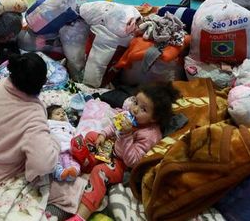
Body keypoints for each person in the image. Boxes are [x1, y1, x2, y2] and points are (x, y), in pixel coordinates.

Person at [0, 52, 86, 215]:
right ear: (42, 84)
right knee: (77, 189)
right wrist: (55, 143)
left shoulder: (1, 84)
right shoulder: (34, 114)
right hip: (5, 182)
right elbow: (43, 164)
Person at [66, 82, 179, 221]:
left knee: (100, 172)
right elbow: (114, 127)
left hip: (121, 164)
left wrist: (126, 135)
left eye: (143, 109)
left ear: (154, 118)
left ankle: (81, 216)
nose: (135, 109)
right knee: (91, 136)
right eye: (135, 102)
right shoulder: (130, 114)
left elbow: (132, 161)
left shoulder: (150, 135)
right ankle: (86, 162)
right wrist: (103, 134)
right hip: (112, 148)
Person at [47, 105, 80, 182]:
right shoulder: (48, 123)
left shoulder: (68, 124)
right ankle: (60, 173)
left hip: (69, 148)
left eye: (63, 113)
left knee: (73, 162)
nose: (61, 115)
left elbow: (76, 133)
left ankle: (73, 172)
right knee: (55, 162)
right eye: (58, 114)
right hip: (56, 148)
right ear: (49, 117)